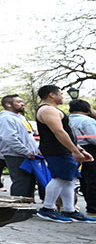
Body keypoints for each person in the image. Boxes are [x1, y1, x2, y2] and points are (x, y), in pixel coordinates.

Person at [34, 86, 95, 222]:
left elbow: (68, 133)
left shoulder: (52, 110)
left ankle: (69, 210)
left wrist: (80, 150)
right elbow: (59, 132)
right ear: (52, 95)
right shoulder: (47, 110)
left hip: (63, 149)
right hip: (57, 150)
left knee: (69, 180)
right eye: (60, 94)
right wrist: (74, 150)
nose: (62, 96)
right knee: (60, 178)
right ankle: (47, 208)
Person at [0, 94, 42, 199]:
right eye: (18, 102)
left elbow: (28, 137)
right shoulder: (6, 118)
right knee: (21, 182)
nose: (22, 103)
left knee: (29, 182)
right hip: (16, 155)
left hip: (28, 155)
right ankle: (18, 208)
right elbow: (9, 138)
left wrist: (35, 149)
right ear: (8, 104)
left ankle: (28, 207)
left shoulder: (20, 117)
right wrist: (26, 151)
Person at [69, 99, 96, 215]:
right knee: (93, 178)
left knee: (83, 179)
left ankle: (89, 203)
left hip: (72, 148)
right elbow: (94, 139)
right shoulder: (87, 121)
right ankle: (93, 205)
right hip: (90, 150)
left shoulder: (66, 120)